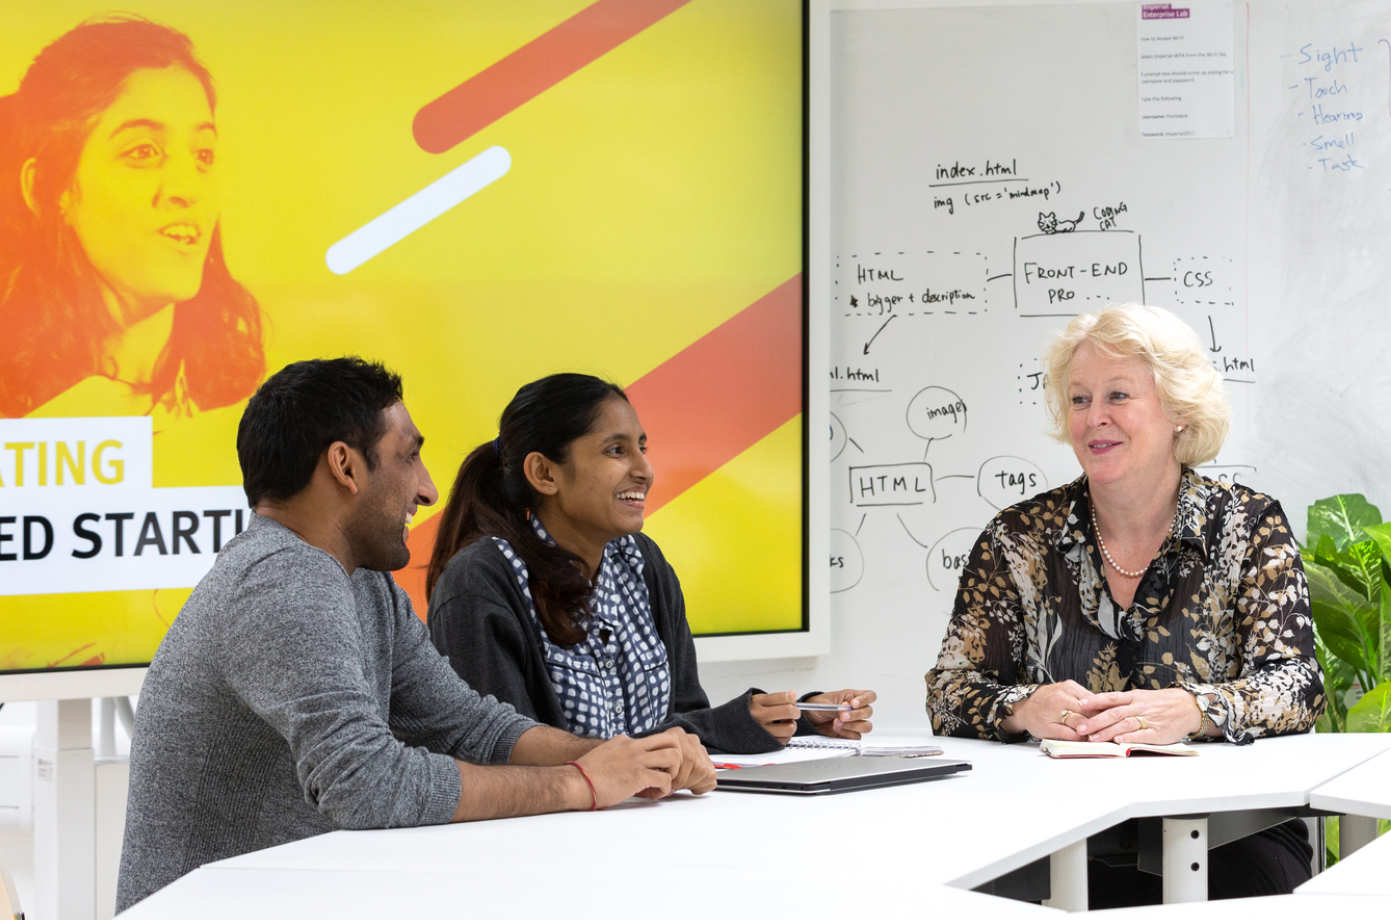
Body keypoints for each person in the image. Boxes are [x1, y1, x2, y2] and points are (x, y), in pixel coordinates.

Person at [118, 359, 714, 910]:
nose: (427, 489)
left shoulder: (359, 583)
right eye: (408, 458)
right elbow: (364, 783)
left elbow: (467, 723)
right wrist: (582, 783)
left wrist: (629, 761)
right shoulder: (283, 578)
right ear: (345, 466)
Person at [925, 304, 1323, 902]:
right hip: (1053, 834)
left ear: (1179, 412)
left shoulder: (1247, 524)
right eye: (1080, 399)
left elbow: (1298, 685)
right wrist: (1025, 706)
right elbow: (948, 692)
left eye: (1118, 395)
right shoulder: (1019, 537)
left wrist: (1194, 709)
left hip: (1228, 835)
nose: (1094, 419)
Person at [425, 373, 875, 752]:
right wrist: (723, 725)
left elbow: (687, 720)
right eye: (616, 451)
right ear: (545, 473)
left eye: (642, 446)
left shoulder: (642, 563)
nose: (645, 469)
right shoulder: (481, 581)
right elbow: (507, 754)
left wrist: (795, 717)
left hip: (651, 826)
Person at [0, 16, 262, 419]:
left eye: (202, 155)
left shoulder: (256, 413)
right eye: (143, 152)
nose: (186, 190)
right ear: (46, 190)